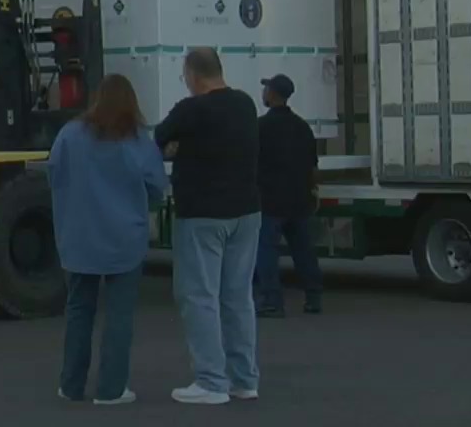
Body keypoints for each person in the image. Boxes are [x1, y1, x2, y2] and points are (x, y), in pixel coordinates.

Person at [47, 74, 168, 405]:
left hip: (79, 235)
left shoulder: (70, 134)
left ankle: (71, 385)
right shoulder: (139, 140)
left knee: (78, 310)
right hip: (124, 239)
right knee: (119, 315)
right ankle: (111, 389)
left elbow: (53, 173)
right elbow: (157, 188)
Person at [154, 47, 261, 405]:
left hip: (202, 214)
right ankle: (244, 379)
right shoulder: (245, 104)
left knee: (199, 295)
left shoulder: (191, 109)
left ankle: (211, 381)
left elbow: (158, 139)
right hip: (246, 212)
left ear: (192, 75)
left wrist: (179, 149)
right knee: (237, 297)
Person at [254, 74, 323, 317]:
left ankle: (272, 301)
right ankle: (313, 298)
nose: (263, 93)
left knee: (267, 252)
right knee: (304, 251)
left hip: (270, 201)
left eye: (266, 89)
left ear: (272, 94)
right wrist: (312, 192)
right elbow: (313, 167)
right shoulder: (302, 127)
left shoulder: (260, 127)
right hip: (299, 200)